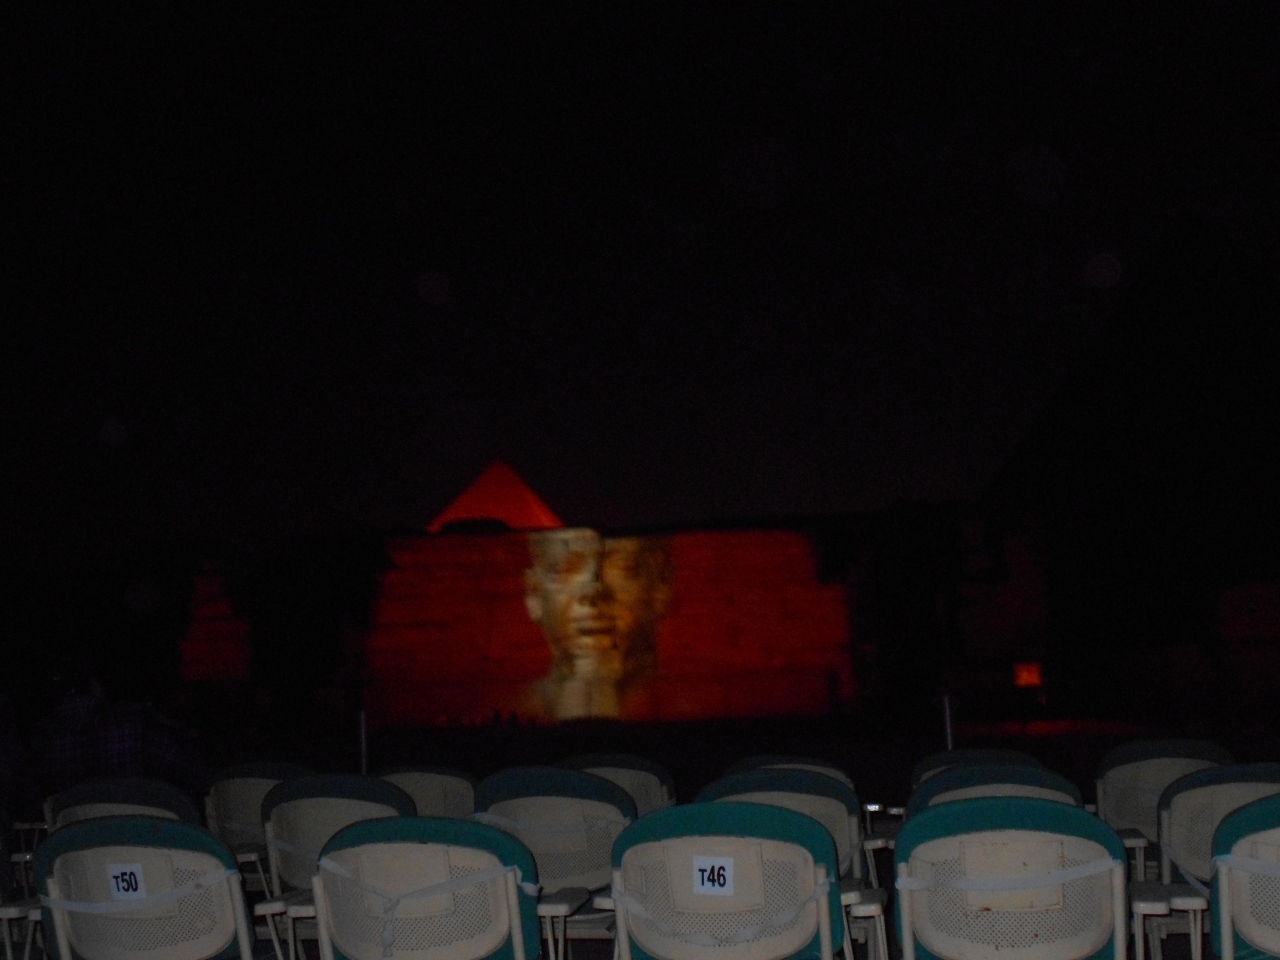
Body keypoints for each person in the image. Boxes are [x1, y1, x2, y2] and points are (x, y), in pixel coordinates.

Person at [520, 528, 673, 720]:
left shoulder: (691, 708)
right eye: (564, 569)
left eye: (623, 567)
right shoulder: (517, 710)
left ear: (661, 585)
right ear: (534, 593)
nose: (592, 590)